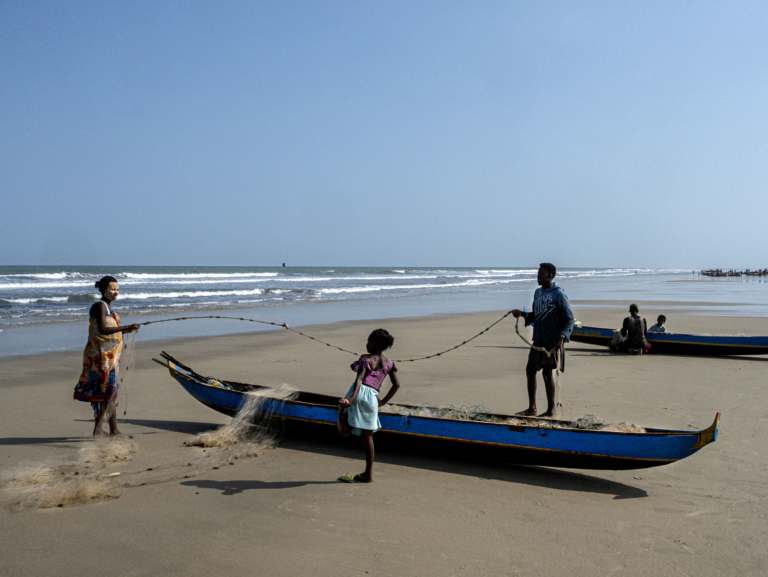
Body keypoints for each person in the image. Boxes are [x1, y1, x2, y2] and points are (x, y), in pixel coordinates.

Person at [73, 276, 139, 436]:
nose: (115, 292)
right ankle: (113, 430)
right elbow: (103, 330)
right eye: (112, 289)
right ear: (104, 290)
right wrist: (125, 327)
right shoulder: (100, 306)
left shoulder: (109, 309)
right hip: (101, 360)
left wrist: (126, 330)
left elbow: (110, 332)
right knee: (107, 394)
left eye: (117, 289)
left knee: (106, 394)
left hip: (110, 361)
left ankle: (99, 430)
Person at [511, 263, 574, 417]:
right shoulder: (537, 293)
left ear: (550, 276)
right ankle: (532, 408)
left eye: (541, 274)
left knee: (547, 374)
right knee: (530, 371)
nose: (537, 277)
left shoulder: (559, 294)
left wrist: (562, 337)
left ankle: (551, 411)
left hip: (552, 341)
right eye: (538, 274)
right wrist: (523, 315)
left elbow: (569, 319)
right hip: (538, 340)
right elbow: (536, 315)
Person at [337, 329, 401, 483]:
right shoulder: (389, 363)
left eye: (368, 342)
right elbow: (397, 385)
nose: (366, 344)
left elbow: (359, 379)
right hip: (372, 398)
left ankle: (341, 412)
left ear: (373, 344)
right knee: (368, 436)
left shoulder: (365, 358)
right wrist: (382, 402)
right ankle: (368, 474)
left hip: (358, 394)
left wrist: (352, 399)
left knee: (345, 431)